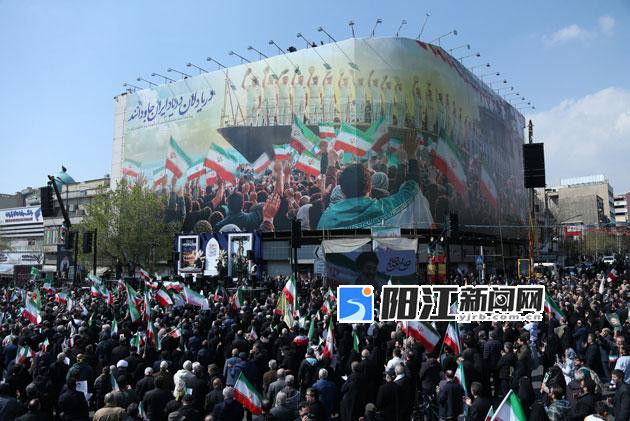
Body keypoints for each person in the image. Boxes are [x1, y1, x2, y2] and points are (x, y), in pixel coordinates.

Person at [317, 132, 433, 230]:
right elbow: (411, 189)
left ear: (342, 190)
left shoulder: (328, 218)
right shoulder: (385, 209)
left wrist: (331, 164)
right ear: (369, 187)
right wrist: (411, 155)